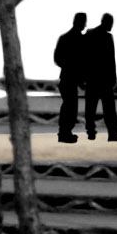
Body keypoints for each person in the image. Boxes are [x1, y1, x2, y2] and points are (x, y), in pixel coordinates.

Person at [81, 17, 117, 143]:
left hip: (93, 79)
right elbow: (111, 60)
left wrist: (82, 78)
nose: (111, 26)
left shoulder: (90, 34)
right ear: (107, 23)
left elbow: (83, 57)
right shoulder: (107, 37)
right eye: (111, 24)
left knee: (91, 108)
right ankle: (112, 134)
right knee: (109, 109)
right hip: (104, 80)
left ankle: (91, 132)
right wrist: (113, 77)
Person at [51, 13, 95, 144]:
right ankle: (65, 133)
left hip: (66, 78)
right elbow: (85, 62)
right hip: (72, 78)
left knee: (68, 106)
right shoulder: (81, 40)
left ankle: (64, 132)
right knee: (70, 107)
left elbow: (57, 59)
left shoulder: (64, 38)